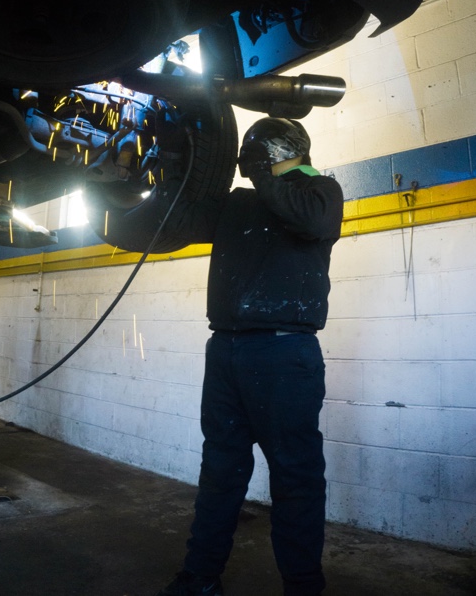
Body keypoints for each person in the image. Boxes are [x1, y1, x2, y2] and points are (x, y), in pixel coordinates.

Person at [154, 115, 344, 596]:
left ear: (284, 150)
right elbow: (179, 220)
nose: (248, 164)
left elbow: (310, 221)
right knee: (220, 470)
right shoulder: (236, 203)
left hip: (284, 352)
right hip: (226, 350)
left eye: (259, 156)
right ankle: (199, 577)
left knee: (294, 475)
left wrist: (261, 173)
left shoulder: (320, 192)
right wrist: (175, 155)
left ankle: (303, 585)